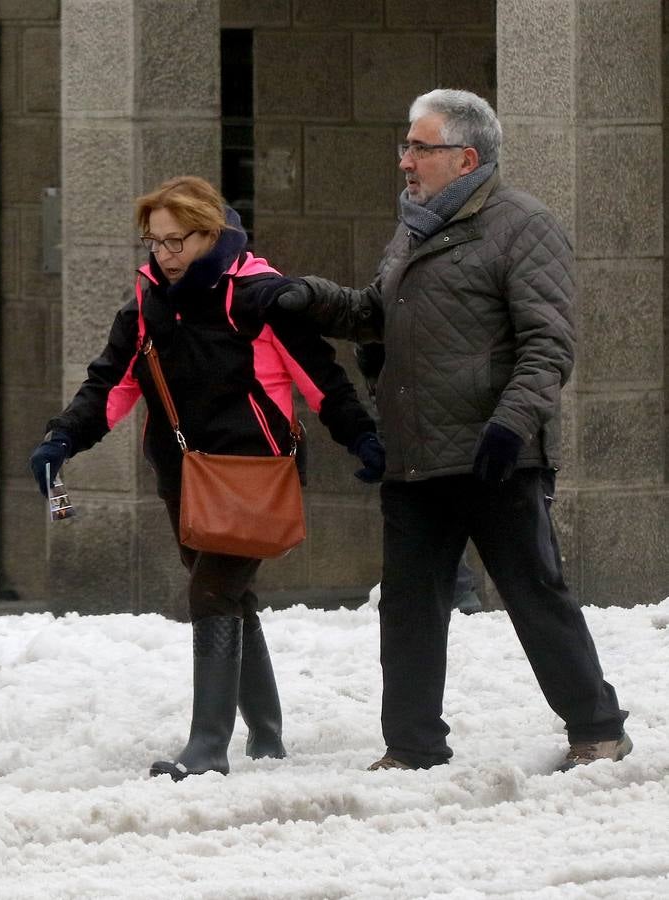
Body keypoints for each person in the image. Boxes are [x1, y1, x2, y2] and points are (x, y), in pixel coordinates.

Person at [275, 89, 631, 771]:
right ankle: (411, 747)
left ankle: (597, 728)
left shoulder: (522, 226)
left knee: (534, 596)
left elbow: (547, 344)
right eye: (404, 146)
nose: (404, 161)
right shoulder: (413, 228)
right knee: (407, 609)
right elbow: (375, 313)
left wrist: (510, 427)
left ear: (465, 157)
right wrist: (308, 297)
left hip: (494, 455)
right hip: (414, 453)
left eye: (418, 147)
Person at [29, 176, 384, 780]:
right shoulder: (147, 304)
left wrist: (362, 436)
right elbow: (110, 384)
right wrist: (62, 438)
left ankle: (208, 747)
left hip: (255, 474)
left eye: (176, 242)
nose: (163, 255)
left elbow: (320, 379)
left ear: (209, 233)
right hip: (183, 472)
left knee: (212, 593)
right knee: (230, 594)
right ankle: (267, 735)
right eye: (154, 242)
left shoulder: (260, 298)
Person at [354, 342, 484, 615]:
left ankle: (456, 590)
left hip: (422, 389)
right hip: (398, 384)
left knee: (432, 494)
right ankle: (447, 590)